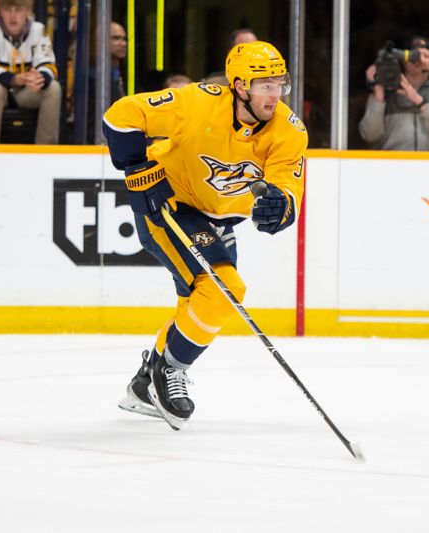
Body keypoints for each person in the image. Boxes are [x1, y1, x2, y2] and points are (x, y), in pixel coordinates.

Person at [103, 41, 307, 430]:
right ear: (240, 87)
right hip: (170, 205)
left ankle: (144, 384)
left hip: (218, 220)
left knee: (200, 303)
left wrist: (278, 209)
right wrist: (138, 172)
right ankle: (170, 372)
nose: (275, 93)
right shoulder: (198, 103)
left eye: (279, 83)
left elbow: (287, 192)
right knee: (224, 289)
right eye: (265, 85)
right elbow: (120, 116)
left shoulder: (289, 130)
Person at [0, 0, 61, 144]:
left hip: (27, 91)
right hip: (0, 91)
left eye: (18, 9)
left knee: (53, 88)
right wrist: (14, 79)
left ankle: (46, 151)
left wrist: (39, 79)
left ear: (28, 10)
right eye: (8, 9)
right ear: (0, 10)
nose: (13, 15)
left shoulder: (39, 29)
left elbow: (48, 64)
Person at [358, 35, 429, 151]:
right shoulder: (386, 94)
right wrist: (378, 94)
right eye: (414, 55)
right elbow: (370, 136)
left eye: (426, 56)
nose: (420, 59)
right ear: (403, 60)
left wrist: (418, 100)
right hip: (392, 166)